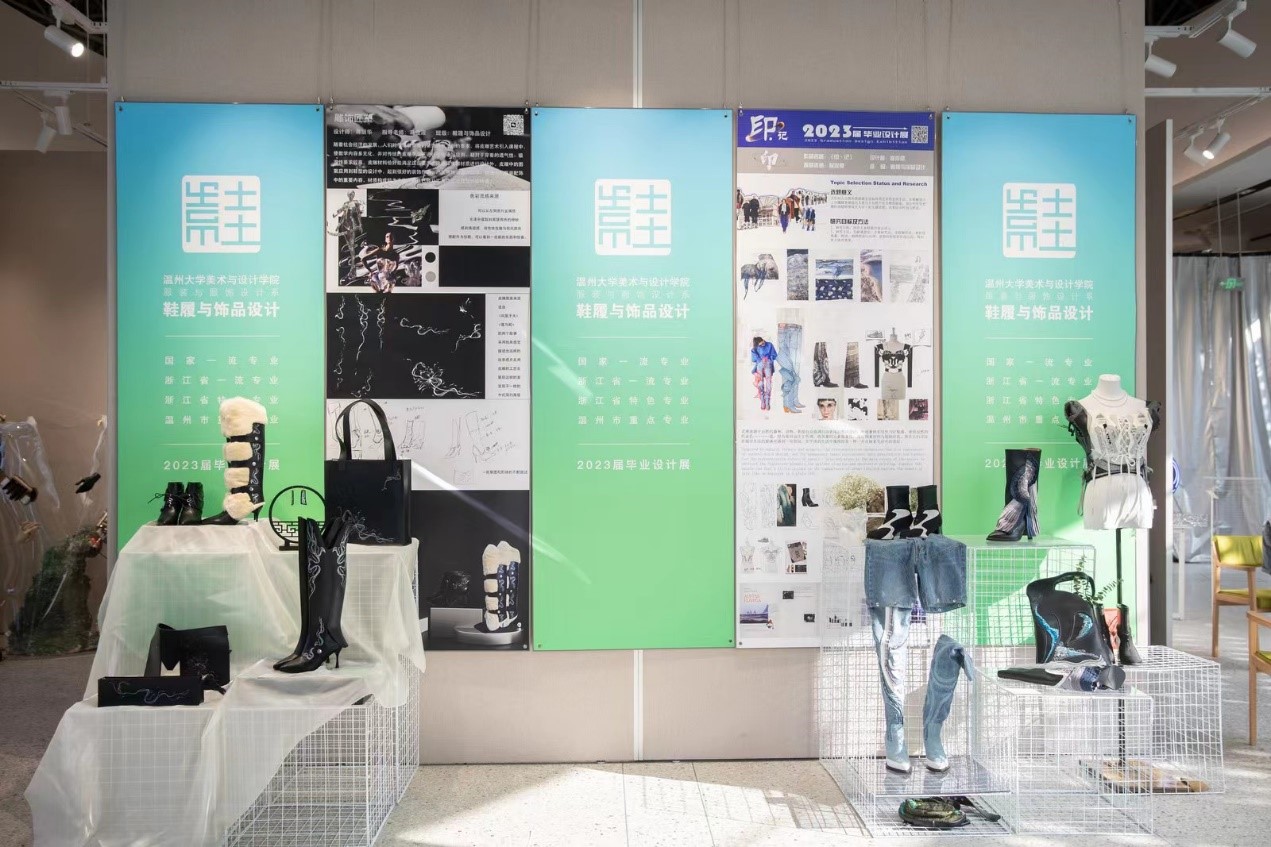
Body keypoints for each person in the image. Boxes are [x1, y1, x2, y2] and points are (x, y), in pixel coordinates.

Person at [750, 335, 777, 412]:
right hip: (760, 365)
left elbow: (774, 355)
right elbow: (753, 358)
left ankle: (767, 401)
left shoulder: (770, 345)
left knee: (768, 383)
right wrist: (760, 359)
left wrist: (768, 358)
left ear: (762, 339)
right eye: (759, 344)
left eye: (761, 342)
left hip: (768, 364)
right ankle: (762, 401)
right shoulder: (755, 347)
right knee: (760, 383)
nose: (761, 344)